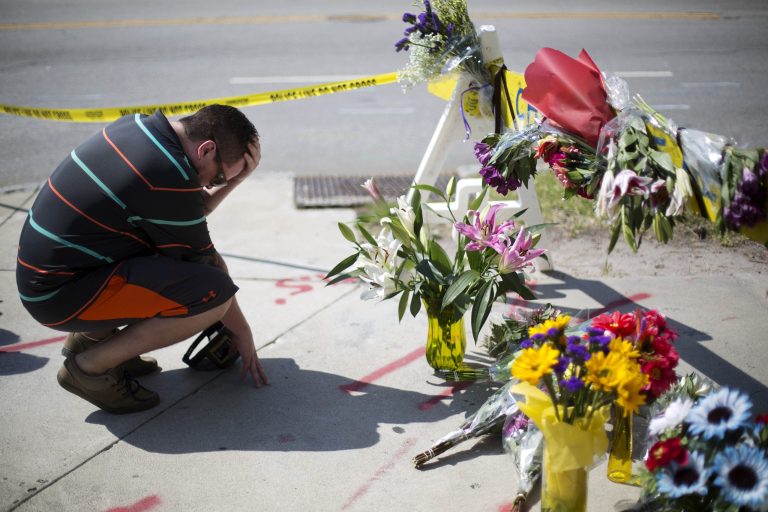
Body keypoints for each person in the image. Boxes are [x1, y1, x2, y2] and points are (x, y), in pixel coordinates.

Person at [16, 104, 268, 414]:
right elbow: (207, 266)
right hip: (59, 297)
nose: (208, 186)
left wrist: (233, 179)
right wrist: (242, 332)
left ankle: (93, 339)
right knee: (212, 294)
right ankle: (89, 368)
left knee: (173, 257)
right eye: (216, 178)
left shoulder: (138, 128)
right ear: (206, 149)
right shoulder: (165, 175)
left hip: (55, 277)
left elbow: (185, 209)